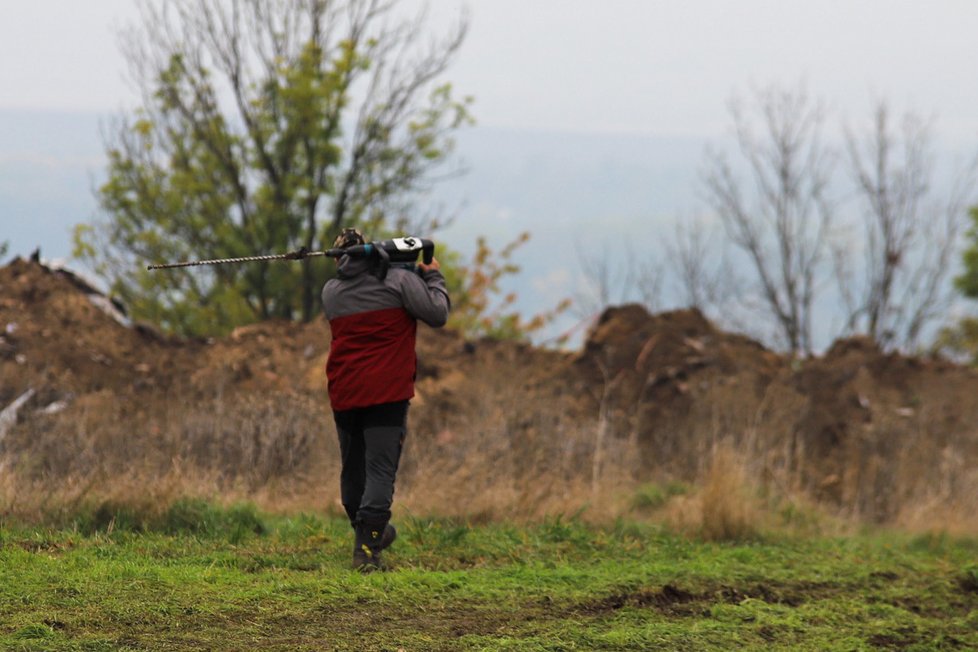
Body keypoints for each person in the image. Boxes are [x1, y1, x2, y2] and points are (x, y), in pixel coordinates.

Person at [321, 228, 450, 571]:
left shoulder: (331, 292)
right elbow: (437, 313)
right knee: (380, 471)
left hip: (344, 391)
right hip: (387, 392)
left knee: (353, 473)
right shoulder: (399, 283)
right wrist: (432, 275)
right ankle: (366, 552)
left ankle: (371, 533)